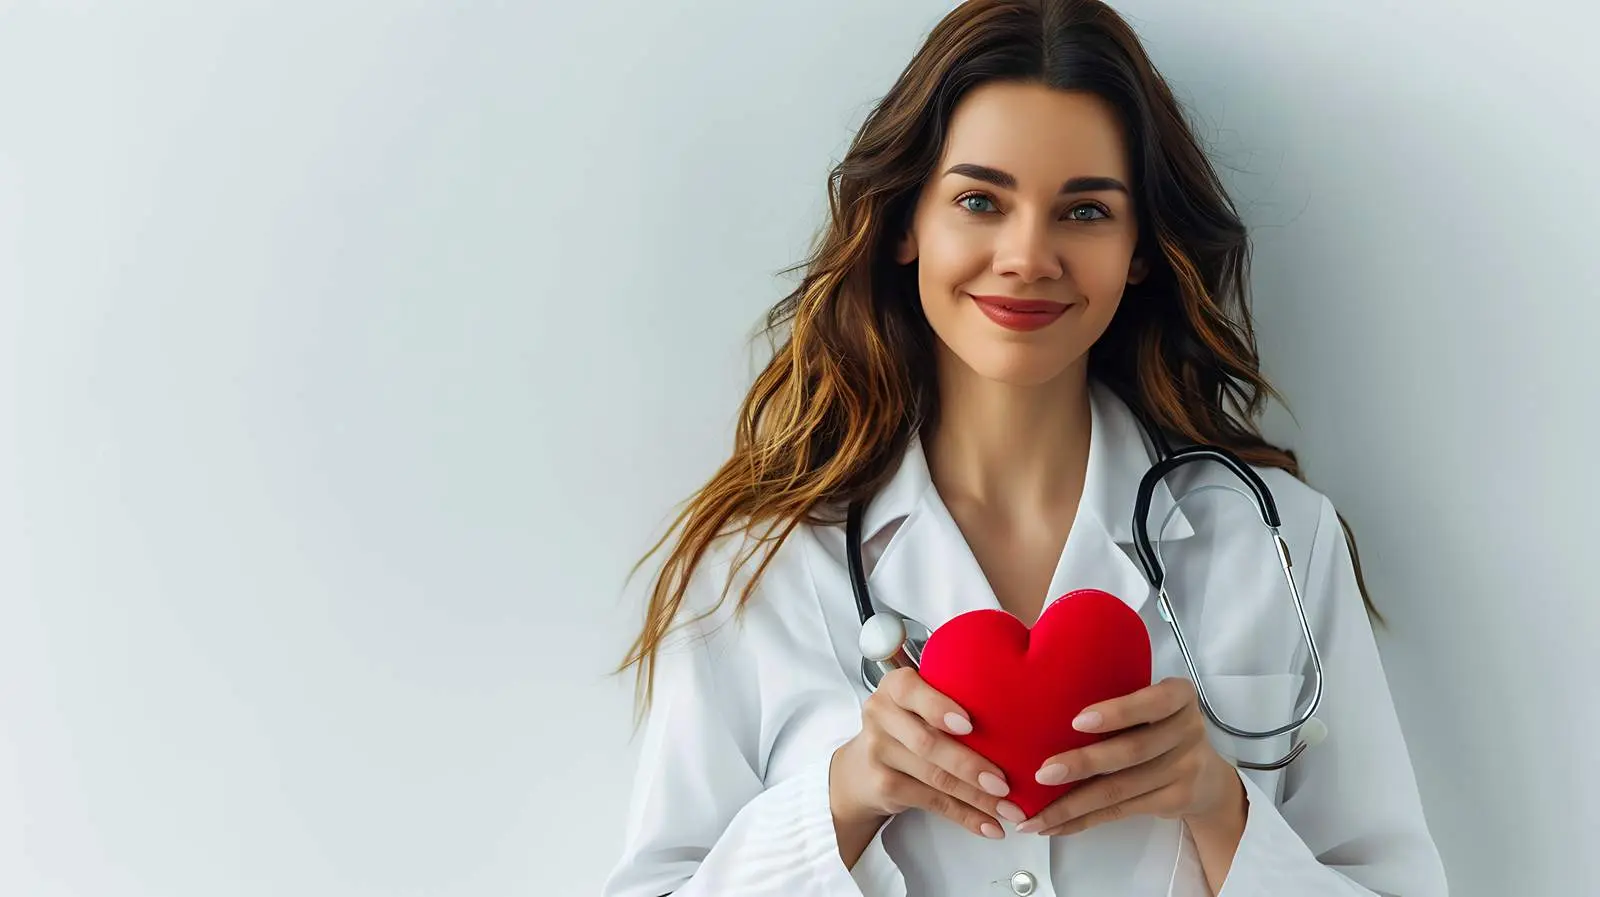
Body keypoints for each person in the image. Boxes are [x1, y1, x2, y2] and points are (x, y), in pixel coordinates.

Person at [602, 1, 1448, 894]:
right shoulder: (761, 563)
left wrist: (1218, 806)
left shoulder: (1278, 542)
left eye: (1084, 210)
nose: (1027, 254)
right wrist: (844, 800)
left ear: (1140, 250)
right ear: (904, 224)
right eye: (979, 200)